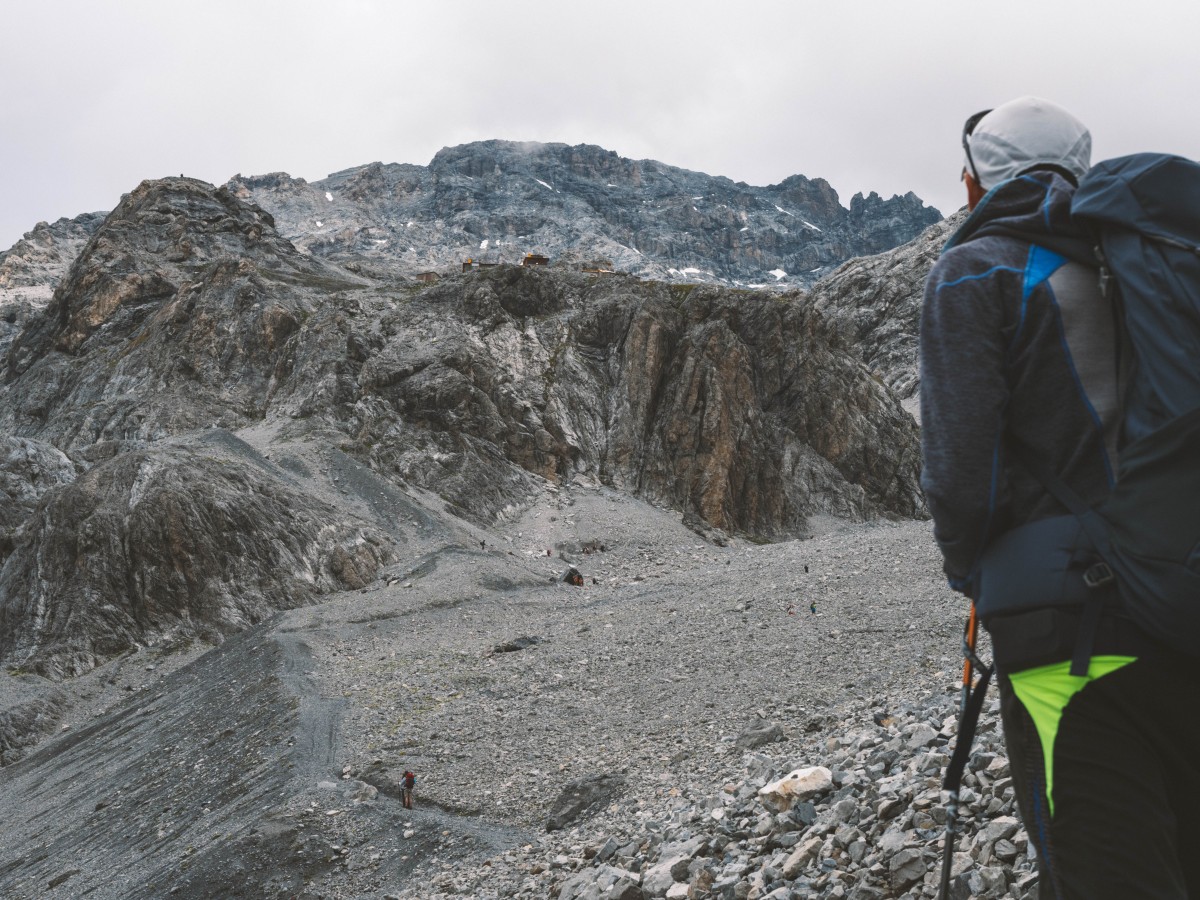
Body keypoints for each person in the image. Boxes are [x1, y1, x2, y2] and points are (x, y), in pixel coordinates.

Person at [921, 97, 1200, 898]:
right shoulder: (1148, 263)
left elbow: (957, 471)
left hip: (1063, 631)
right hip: (1179, 602)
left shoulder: (980, 267)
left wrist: (970, 575)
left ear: (976, 184)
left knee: (1099, 865)